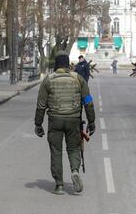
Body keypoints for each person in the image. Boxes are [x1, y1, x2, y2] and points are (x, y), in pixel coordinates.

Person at [34, 51, 96, 195]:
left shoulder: (48, 80)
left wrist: (38, 124)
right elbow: (88, 101)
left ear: (56, 64)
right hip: (74, 120)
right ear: (68, 64)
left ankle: (59, 185)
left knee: (56, 151)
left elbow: (41, 104)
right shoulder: (78, 79)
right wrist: (91, 121)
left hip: (55, 120)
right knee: (74, 148)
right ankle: (74, 170)